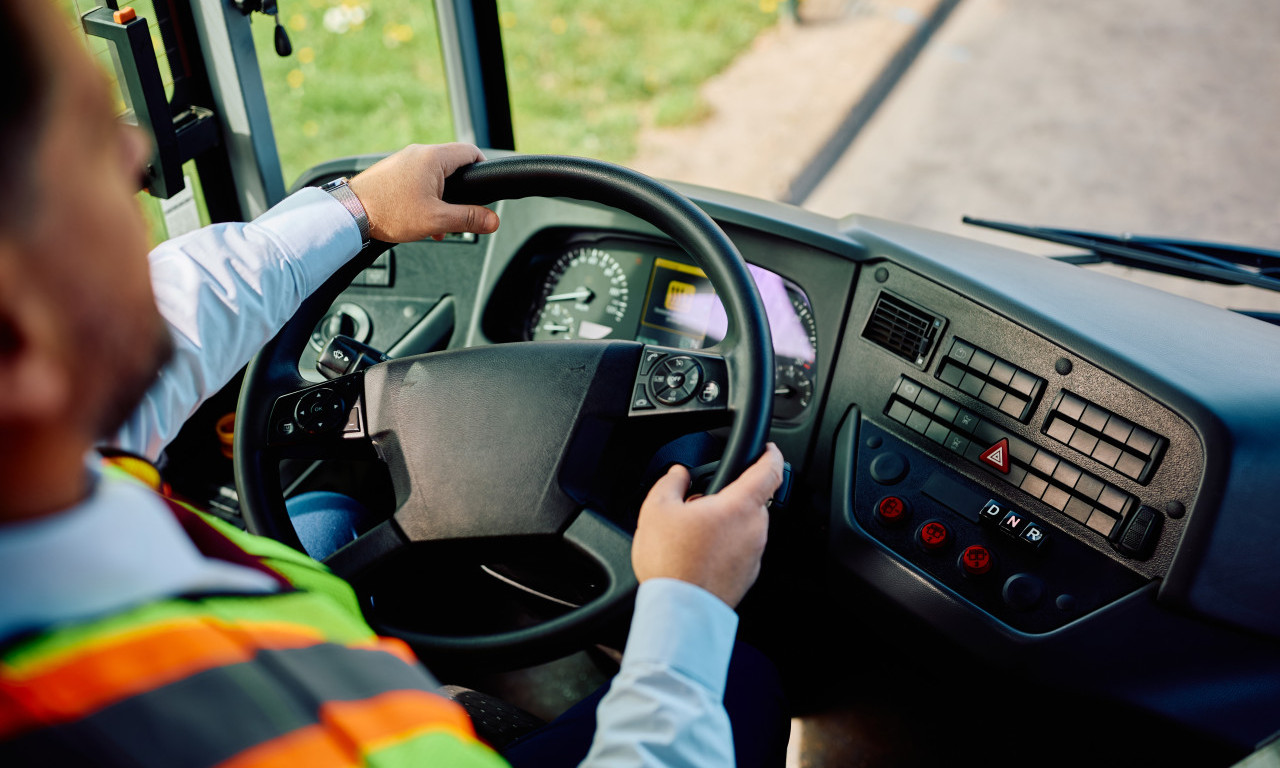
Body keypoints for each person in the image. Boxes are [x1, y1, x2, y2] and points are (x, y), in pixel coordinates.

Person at [0, 0, 788, 765]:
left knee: (326, 512)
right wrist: (685, 605)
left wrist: (358, 209)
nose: (135, 150)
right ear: (21, 343)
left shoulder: (49, 461)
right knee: (737, 680)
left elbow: (180, 310)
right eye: (89, 143)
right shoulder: (228, 730)